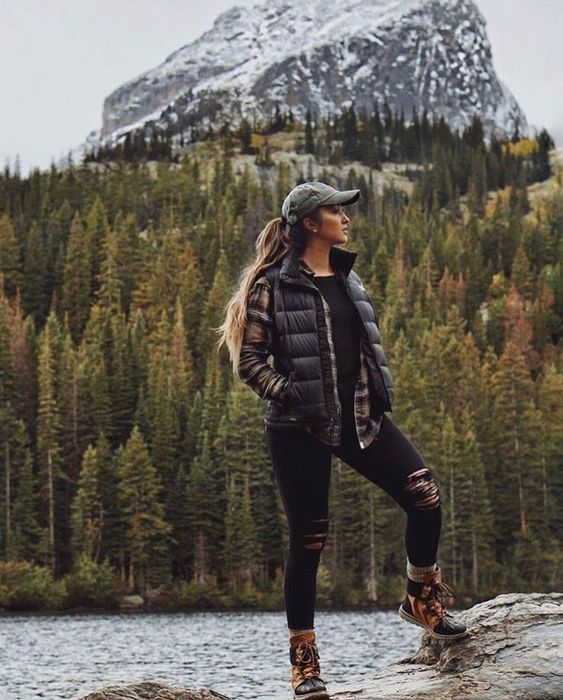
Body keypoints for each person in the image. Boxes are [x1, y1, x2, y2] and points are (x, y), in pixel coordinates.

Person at [217, 181, 468, 700]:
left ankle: (421, 598)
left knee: (424, 494)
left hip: (359, 417)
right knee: (308, 542)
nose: (345, 218)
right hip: (297, 427)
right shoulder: (273, 284)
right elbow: (250, 362)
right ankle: (304, 666)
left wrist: (376, 389)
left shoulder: (348, 279)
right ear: (311, 223)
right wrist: (295, 393)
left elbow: (360, 351)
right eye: (335, 210)